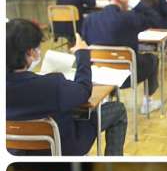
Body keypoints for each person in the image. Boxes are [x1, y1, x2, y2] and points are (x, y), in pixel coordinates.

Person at [6, 20, 127, 155]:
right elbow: (84, 91)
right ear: (30, 52)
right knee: (118, 109)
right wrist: (82, 54)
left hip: (15, 151)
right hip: (64, 148)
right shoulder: (51, 85)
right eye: (37, 47)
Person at [82, 0, 162, 114]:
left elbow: (85, 45)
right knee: (153, 59)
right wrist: (133, 1)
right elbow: (156, 19)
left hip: (98, 75)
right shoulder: (130, 18)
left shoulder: (90, 19)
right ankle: (147, 102)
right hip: (127, 76)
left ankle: (105, 98)